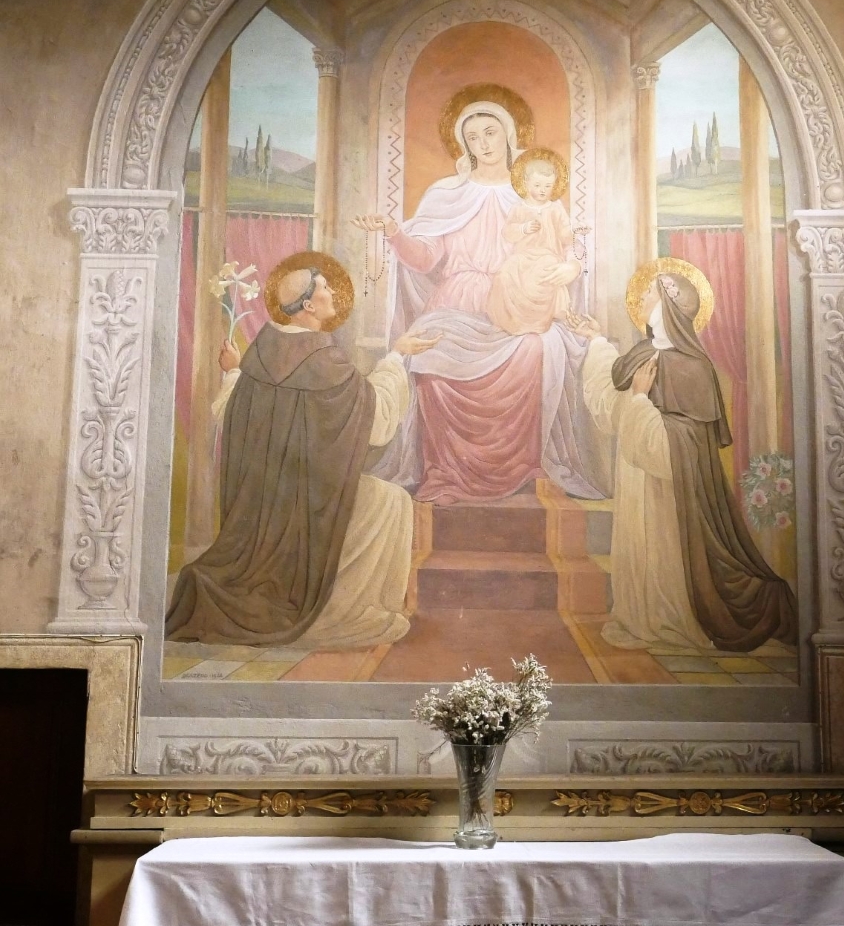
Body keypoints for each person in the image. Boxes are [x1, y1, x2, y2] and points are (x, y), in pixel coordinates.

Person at [165, 262, 439, 648]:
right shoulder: (323, 360)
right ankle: (340, 608)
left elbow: (233, 413)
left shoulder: (262, 350)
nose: (333, 293)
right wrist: (396, 356)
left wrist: (234, 372)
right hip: (310, 503)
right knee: (393, 501)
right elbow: (376, 418)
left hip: (263, 508)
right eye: (325, 287)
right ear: (308, 305)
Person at [352, 100, 600, 505]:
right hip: (456, 300)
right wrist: (395, 232)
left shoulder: (533, 195)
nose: (482, 143)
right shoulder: (447, 195)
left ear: (508, 135)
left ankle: (525, 467)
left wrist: (569, 267)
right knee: (431, 357)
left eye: (489, 133)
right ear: (463, 145)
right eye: (472, 137)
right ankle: (444, 472)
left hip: (516, 300)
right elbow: (425, 259)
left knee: (537, 350)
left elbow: (562, 247)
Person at [570, 270, 797, 653]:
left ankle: (670, 621)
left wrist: (640, 401)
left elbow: (684, 443)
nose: (642, 300)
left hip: (671, 493)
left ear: (668, 306)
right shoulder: (643, 354)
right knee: (638, 550)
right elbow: (612, 407)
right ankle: (641, 618)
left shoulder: (694, 367)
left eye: (649, 294)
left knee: (663, 553)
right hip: (635, 476)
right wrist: (596, 341)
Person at [486, 150, 581, 336]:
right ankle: (508, 321)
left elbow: (565, 236)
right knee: (504, 275)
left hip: (547, 257)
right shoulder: (518, 208)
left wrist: (571, 232)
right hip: (522, 258)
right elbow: (507, 233)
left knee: (540, 279)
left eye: (548, 185)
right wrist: (523, 228)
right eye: (537, 185)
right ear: (526, 183)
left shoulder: (555, 209)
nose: (543, 190)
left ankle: (535, 324)